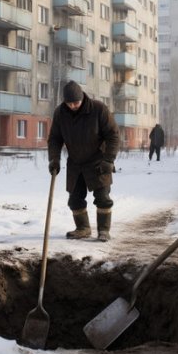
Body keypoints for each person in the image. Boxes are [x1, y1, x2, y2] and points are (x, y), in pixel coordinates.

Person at [48, 80, 120, 242]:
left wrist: (109, 159)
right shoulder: (60, 113)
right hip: (75, 163)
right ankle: (83, 228)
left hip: (99, 161)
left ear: (82, 98)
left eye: (76, 102)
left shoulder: (98, 109)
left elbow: (113, 135)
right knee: (75, 199)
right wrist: (54, 159)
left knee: (102, 198)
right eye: (69, 103)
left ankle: (103, 230)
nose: (73, 106)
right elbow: (54, 139)